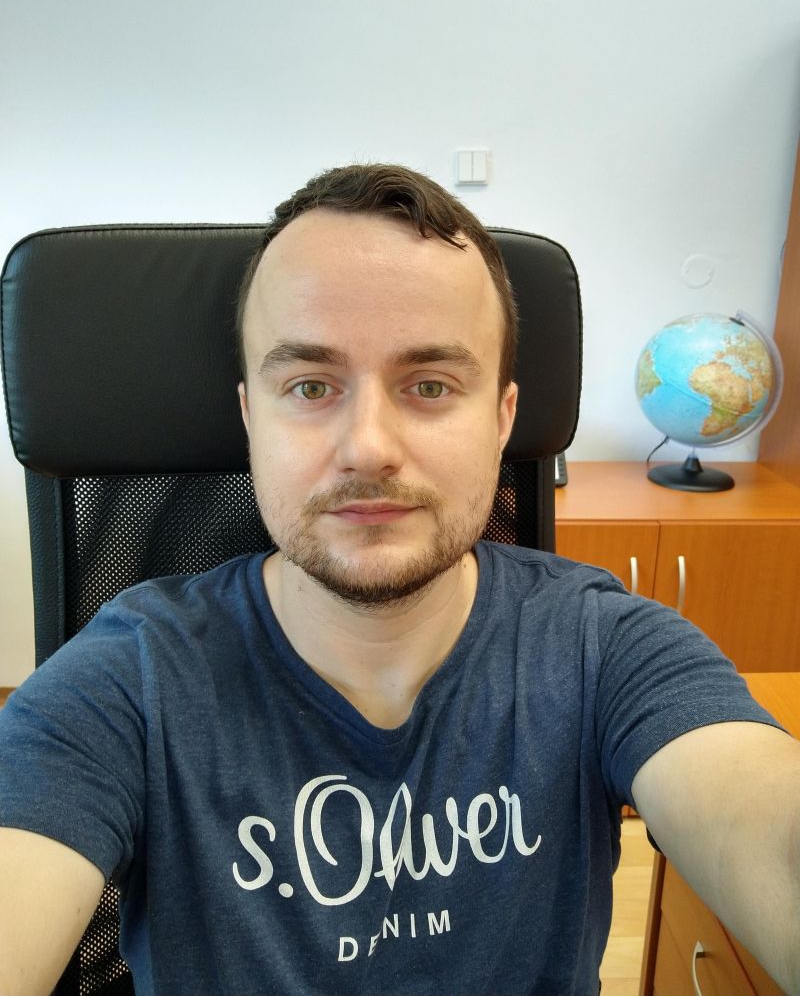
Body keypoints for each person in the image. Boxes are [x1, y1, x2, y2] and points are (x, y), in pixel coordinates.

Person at [0, 163, 798, 996]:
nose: (369, 447)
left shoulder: (607, 648)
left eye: (429, 385)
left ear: (502, 419)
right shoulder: (127, 681)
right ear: (250, 416)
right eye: (311, 386)